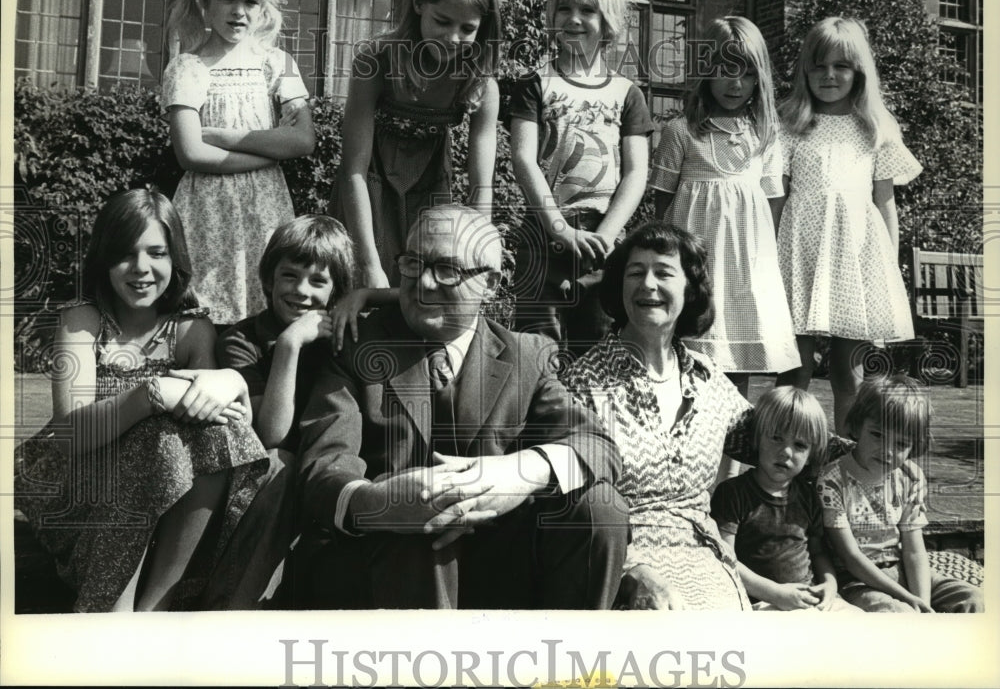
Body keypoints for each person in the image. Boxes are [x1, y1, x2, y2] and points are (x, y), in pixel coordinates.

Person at [291, 204, 629, 609]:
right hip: (387, 567)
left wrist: (517, 475)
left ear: (490, 283)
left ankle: (569, 667)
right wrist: (378, 504)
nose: (424, 284)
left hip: (501, 560)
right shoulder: (357, 344)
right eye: (413, 263)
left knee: (600, 508)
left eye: (447, 269)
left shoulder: (528, 355)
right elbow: (324, 466)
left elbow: (597, 444)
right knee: (419, 532)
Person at [15, 189, 267, 612]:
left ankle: (156, 603)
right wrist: (150, 395)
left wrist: (227, 380)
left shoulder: (190, 330)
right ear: (104, 258)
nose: (142, 269)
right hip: (81, 483)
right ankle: (115, 603)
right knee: (161, 439)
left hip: (163, 491)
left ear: (176, 259)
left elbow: (211, 433)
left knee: (213, 435)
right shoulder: (83, 321)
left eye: (157, 253)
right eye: (126, 254)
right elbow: (71, 434)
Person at [562, 221, 755, 610]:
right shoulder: (584, 382)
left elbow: (774, 442)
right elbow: (566, 504)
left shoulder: (707, 377)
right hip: (622, 571)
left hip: (709, 561)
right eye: (635, 273)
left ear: (689, 290)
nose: (647, 284)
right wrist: (628, 570)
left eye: (663, 273)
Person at [200, 214, 371, 609]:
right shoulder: (241, 340)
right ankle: (234, 608)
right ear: (268, 279)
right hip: (261, 478)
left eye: (318, 281)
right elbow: (270, 436)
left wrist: (365, 297)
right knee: (282, 463)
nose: (301, 291)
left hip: (328, 466)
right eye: (289, 276)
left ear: (337, 290)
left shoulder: (344, 328)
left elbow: (407, 297)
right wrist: (290, 345)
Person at [776, 17, 921, 432]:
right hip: (799, 256)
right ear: (806, 69)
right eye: (819, 65)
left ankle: (846, 465)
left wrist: (888, 269)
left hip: (856, 261)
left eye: (841, 66)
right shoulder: (790, 125)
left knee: (849, 374)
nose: (829, 75)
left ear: (859, 71)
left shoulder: (875, 128)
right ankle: (785, 459)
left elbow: (885, 202)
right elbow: (780, 196)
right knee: (794, 371)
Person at [163, 0, 316, 327]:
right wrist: (270, 152)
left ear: (263, 8)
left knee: (266, 310)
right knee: (205, 311)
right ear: (205, 2)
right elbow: (191, 154)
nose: (238, 11)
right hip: (206, 210)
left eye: (250, 2)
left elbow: (302, 140)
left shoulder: (278, 65)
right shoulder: (188, 68)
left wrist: (219, 135)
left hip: (266, 207)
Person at [509, 0, 653, 359]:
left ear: (607, 21)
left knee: (597, 351)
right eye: (564, 8)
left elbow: (636, 173)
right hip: (544, 233)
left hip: (601, 241)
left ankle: (589, 424)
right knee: (536, 354)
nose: (573, 19)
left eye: (587, 10)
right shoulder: (534, 83)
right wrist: (558, 229)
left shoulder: (627, 94)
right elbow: (524, 160)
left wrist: (607, 235)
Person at [331, 0, 502, 289]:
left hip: (430, 192)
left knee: (424, 295)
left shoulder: (480, 83)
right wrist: (369, 263)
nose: (453, 38)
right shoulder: (375, 62)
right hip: (368, 194)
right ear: (419, 3)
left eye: (467, 28)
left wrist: (481, 258)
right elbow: (354, 170)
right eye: (442, 21)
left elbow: (480, 185)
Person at [651, 16, 798, 399]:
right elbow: (661, 209)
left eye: (747, 73)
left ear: (759, 78)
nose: (736, 83)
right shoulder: (680, 132)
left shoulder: (766, 136)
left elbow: (772, 209)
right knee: (686, 362)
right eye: (725, 70)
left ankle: (730, 459)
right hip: (696, 265)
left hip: (745, 270)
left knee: (737, 366)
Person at [817, 375, 983, 612]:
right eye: (877, 435)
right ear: (856, 426)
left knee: (972, 598)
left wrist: (922, 603)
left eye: (901, 444)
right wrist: (907, 599)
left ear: (914, 446)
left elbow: (914, 550)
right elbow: (850, 557)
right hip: (858, 581)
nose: (887, 450)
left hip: (901, 569)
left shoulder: (908, 477)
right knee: (896, 613)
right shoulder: (833, 480)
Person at [711, 386, 857, 611]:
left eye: (799, 445)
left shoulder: (808, 495)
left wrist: (830, 583)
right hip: (761, 600)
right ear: (757, 439)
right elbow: (724, 558)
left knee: (861, 624)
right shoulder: (733, 493)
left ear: (810, 456)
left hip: (809, 595)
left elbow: (817, 551)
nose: (786, 452)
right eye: (776, 438)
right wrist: (776, 593)